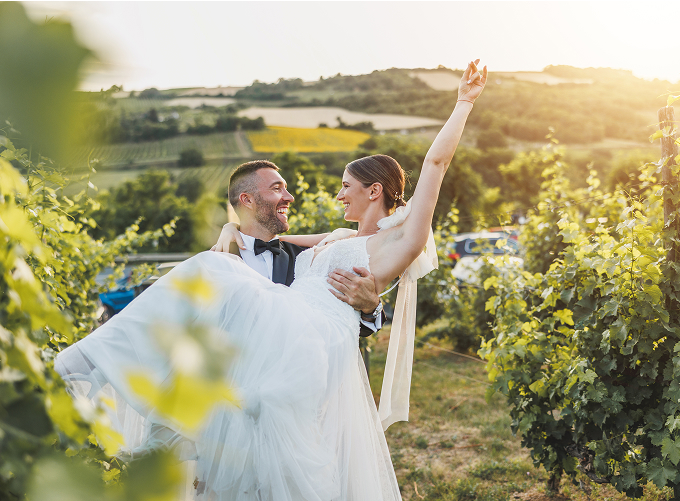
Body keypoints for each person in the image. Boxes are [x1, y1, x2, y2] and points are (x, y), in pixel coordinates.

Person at [54, 60, 487, 500]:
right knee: (213, 300)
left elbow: (435, 162)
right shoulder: (338, 237)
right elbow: (280, 237)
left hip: (314, 336)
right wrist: (230, 230)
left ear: (374, 191)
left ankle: (83, 365)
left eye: (345, 185)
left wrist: (463, 103)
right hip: (285, 325)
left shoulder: (398, 243)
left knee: (212, 269)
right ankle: (157, 430)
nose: (337, 194)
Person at [210, 159, 385, 338]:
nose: (290, 197)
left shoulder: (305, 258)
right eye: (277, 189)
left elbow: (347, 319)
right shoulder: (215, 262)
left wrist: (371, 307)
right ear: (247, 200)